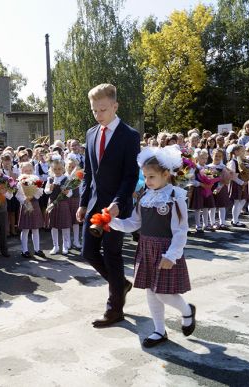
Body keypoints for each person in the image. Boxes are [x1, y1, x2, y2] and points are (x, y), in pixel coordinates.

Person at [109, 146, 195, 347]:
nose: (147, 182)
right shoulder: (145, 196)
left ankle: (187, 311)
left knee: (162, 292)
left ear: (166, 174)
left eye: (151, 177)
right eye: (145, 177)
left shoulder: (175, 196)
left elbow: (181, 230)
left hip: (165, 250)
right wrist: (112, 221)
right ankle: (159, 330)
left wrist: (172, 255)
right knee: (150, 290)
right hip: (146, 247)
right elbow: (133, 223)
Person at [76, 83, 140, 328]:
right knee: (88, 253)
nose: (98, 114)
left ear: (115, 106)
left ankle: (115, 309)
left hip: (116, 208)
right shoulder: (91, 134)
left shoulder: (129, 135)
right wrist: (83, 203)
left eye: (102, 109)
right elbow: (89, 173)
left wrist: (117, 203)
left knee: (112, 255)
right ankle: (120, 284)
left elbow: (130, 176)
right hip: (93, 206)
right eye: (94, 110)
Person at [16, 162, 45, 258]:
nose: (28, 172)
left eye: (30, 170)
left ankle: (37, 249)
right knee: (25, 229)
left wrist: (33, 195)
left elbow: (40, 191)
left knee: (35, 228)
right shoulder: (19, 181)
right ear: (21, 171)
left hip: (34, 204)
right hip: (25, 205)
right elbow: (18, 194)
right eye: (25, 170)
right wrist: (25, 199)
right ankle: (25, 250)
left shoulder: (36, 179)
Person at [45, 156, 72, 255]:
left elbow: (70, 194)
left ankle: (65, 245)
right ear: (52, 169)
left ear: (63, 168)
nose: (57, 171)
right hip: (52, 203)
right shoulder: (50, 179)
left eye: (59, 169)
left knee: (65, 226)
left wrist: (66, 192)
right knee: (54, 226)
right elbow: (46, 191)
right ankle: (55, 246)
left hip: (63, 203)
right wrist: (50, 189)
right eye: (55, 169)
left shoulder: (67, 179)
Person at [227, 145, 247, 228]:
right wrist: (241, 182)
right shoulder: (233, 162)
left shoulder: (239, 161)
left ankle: (235, 218)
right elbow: (232, 176)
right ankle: (235, 220)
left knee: (243, 200)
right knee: (237, 202)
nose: (244, 153)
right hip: (236, 183)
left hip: (240, 183)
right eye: (242, 151)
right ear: (236, 152)